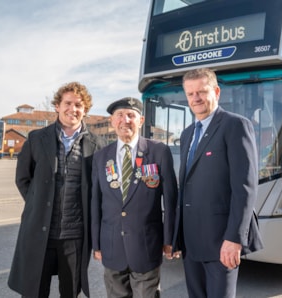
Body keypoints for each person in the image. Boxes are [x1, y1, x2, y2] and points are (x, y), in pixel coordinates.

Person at [8, 82, 107, 297]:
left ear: (85, 109)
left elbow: (99, 189)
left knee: (70, 291)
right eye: (68, 103)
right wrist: (38, 204)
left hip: (74, 235)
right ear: (57, 106)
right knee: (34, 291)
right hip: (39, 231)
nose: (73, 109)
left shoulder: (97, 144)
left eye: (78, 105)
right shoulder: (36, 138)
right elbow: (23, 179)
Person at [172, 68, 264, 297]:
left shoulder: (235, 125)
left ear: (216, 92)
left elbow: (245, 188)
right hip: (191, 242)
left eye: (202, 92)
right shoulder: (186, 134)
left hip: (221, 242)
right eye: (190, 93)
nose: (196, 98)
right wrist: (175, 237)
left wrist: (234, 238)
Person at [91, 97, 178, 298]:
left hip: (147, 246)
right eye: (120, 115)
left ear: (141, 121)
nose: (125, 120)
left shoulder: (158, 151)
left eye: (131, 115)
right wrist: (96, 243)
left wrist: (170, 239)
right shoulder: (101, 157)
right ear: (112, 121)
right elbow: (95, 202)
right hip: (111, 246)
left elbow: (171, 200)